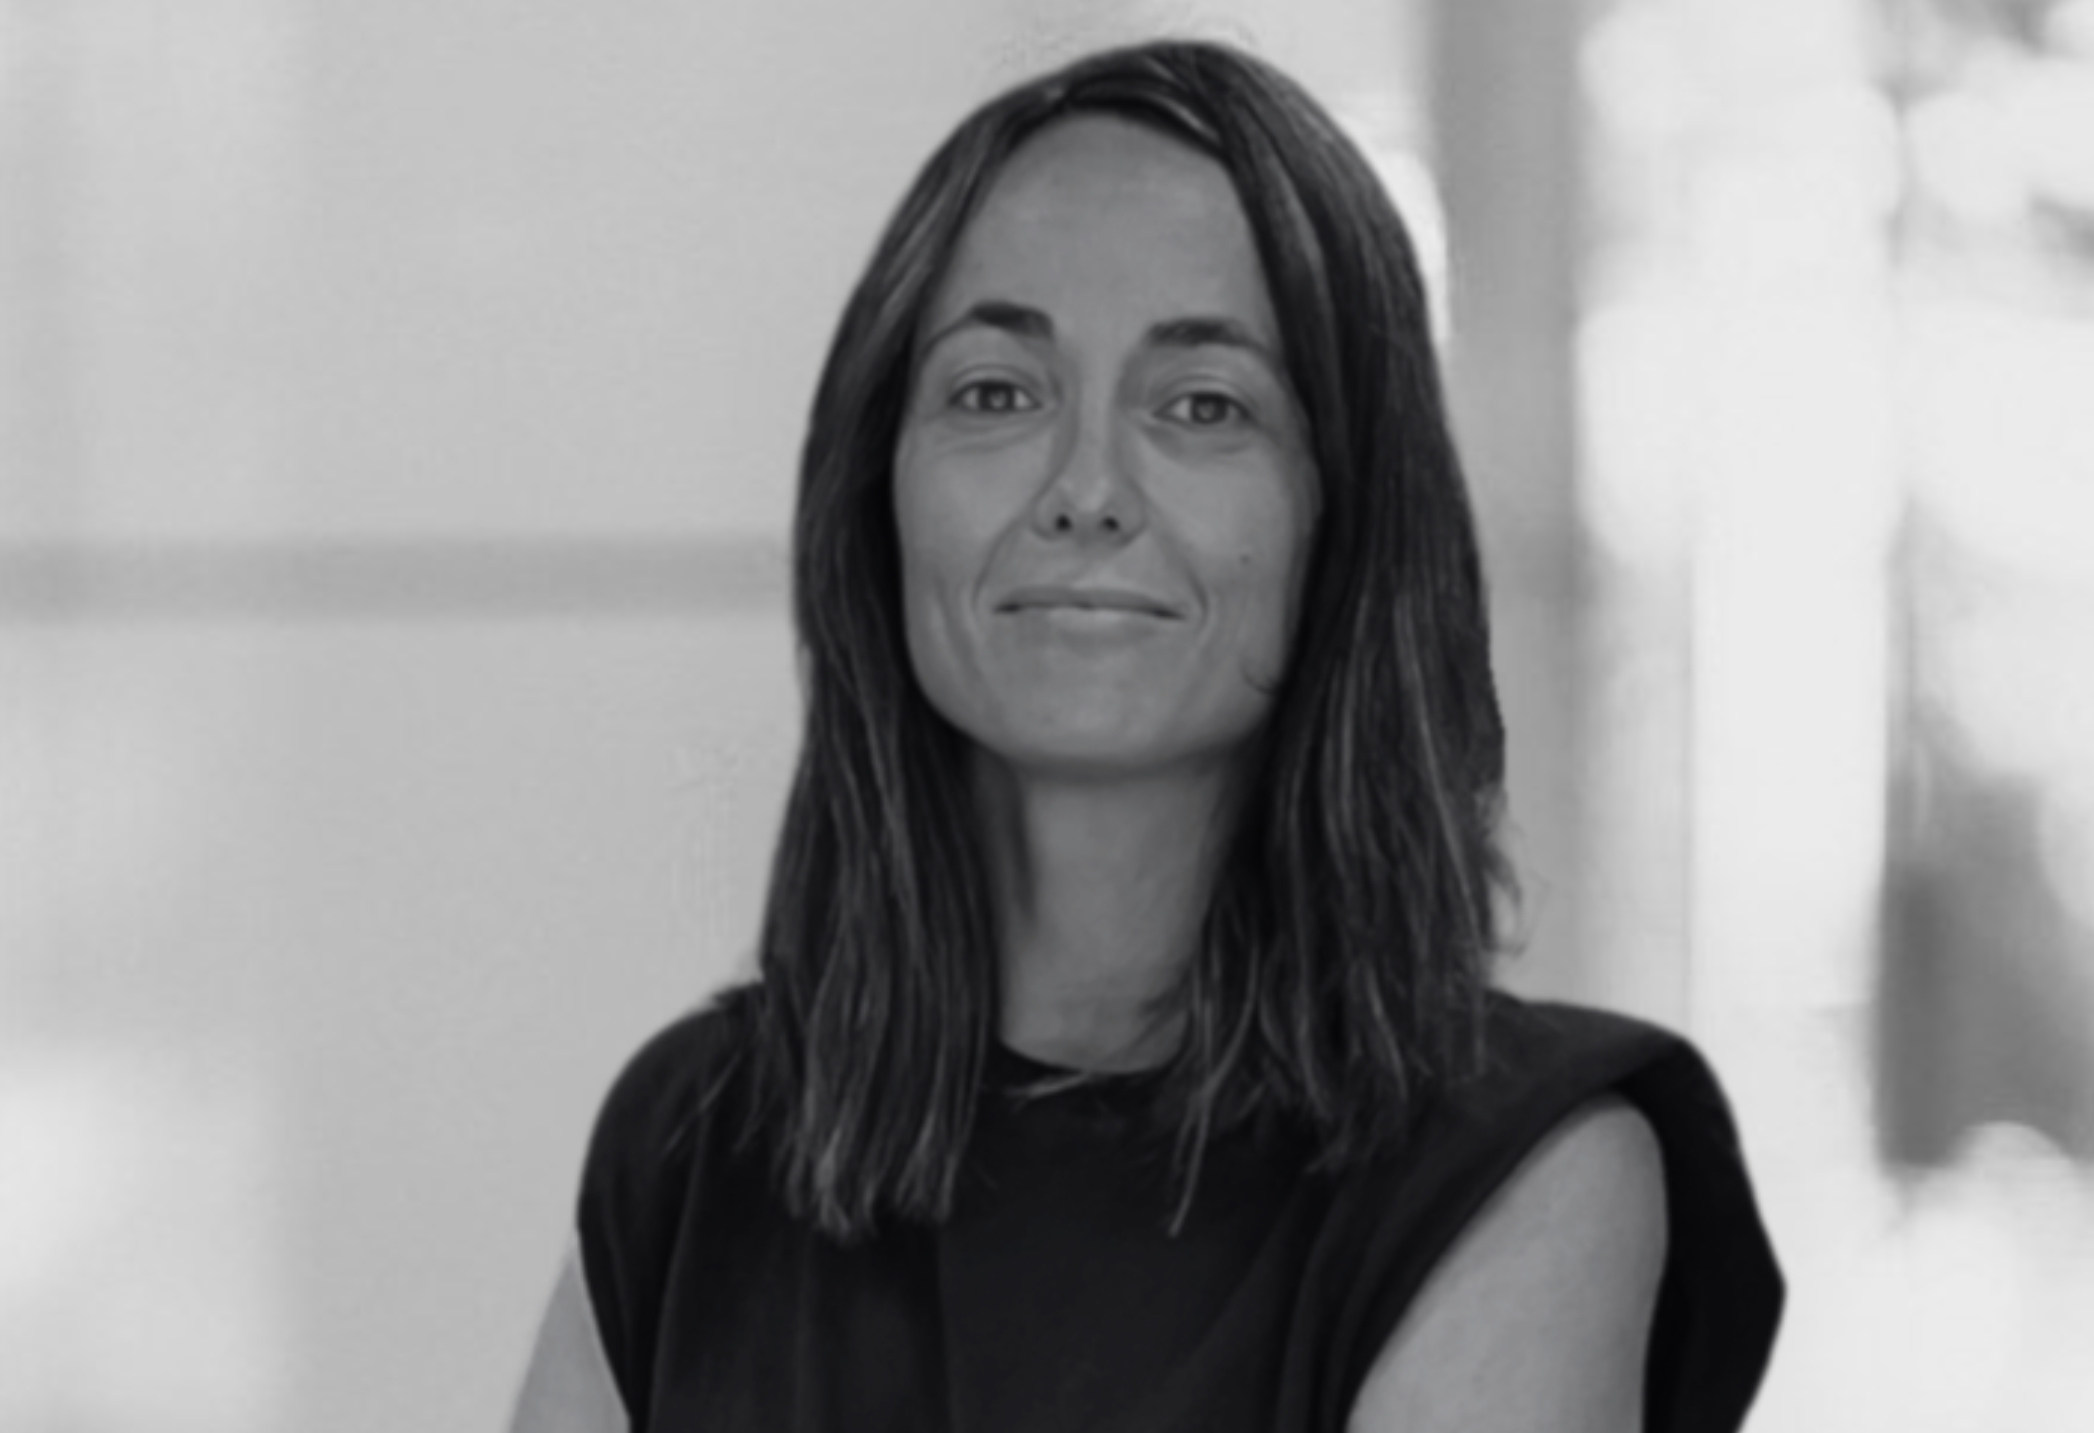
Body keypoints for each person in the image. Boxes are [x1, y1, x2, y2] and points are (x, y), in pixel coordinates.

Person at [510, 37, 1782, 1433]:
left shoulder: (1523, 1172)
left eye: (1204, 405)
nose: (1085, 487)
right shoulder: (695, 1144)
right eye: (997, 392)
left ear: (1345, 526)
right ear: (879, 495)